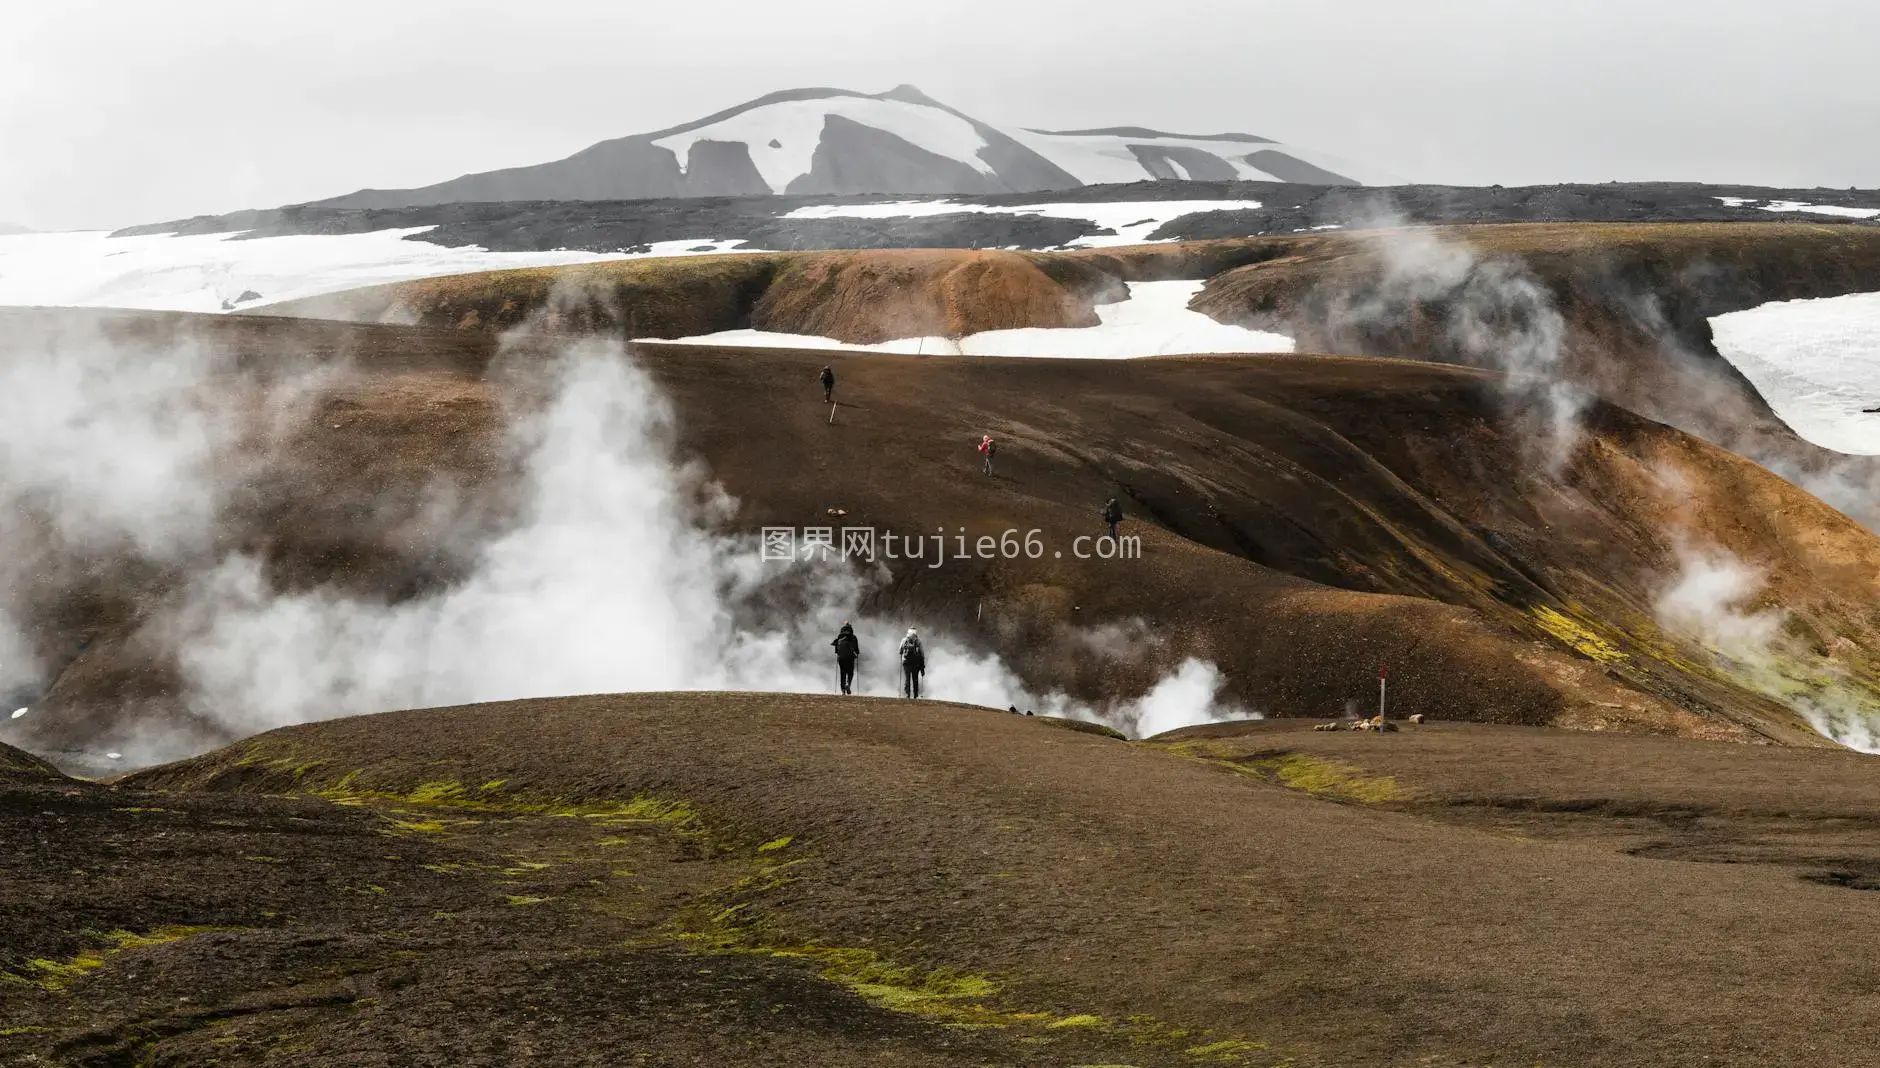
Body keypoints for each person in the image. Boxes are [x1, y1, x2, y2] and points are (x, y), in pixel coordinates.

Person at [831, 621, 860, 695]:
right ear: (851, 628)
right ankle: (848, 684)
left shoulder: (840, 637)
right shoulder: (853, 637)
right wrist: (856, 654)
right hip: (850, 658)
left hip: (841, 658)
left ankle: (843, 690)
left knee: (842, 673)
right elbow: (856, 649)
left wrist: (839, 654)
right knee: (850, 672)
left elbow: (836, 650)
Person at [898, 627, 926, 699]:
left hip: (906, 662)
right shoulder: (918, 641)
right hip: (915, 663)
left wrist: (902, 654)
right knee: (915, 679)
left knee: (907, 679)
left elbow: (900, 651)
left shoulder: (904, 640)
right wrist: (922, 666)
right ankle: (915, 695)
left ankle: (907, 695)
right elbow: (922, 654)